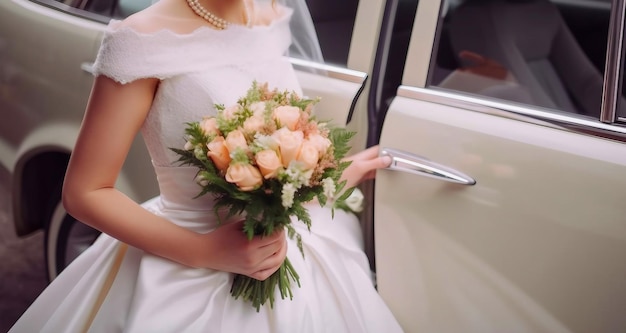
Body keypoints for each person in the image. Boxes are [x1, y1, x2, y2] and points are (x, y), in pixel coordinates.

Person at [9, 0, 403, 331]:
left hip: (292, 257)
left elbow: (280, 137)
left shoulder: (266, 13)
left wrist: (324, 177)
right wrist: (203, 251)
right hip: (186, 264)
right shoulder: (140, 39)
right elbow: (84, 191)